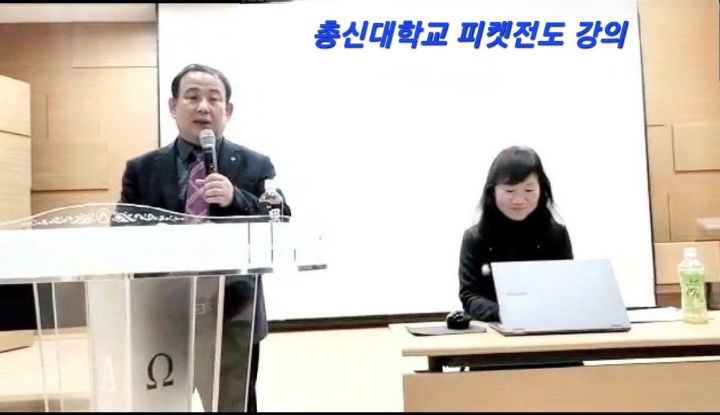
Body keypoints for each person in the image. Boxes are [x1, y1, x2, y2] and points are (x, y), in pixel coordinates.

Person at [120, 63, 286, 412]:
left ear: (228, 110)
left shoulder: (255, 165)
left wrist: (236, 197)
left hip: (233, 308)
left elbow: (280, 217)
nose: (203, 107)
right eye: (192, 97)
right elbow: (121, 231)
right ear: (173, 106)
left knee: (232, 405)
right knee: (160, 404)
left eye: (214, 98)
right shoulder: (142, 169)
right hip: (162, 306)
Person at [458, 146, 573, 322]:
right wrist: (509, 313)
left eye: (529, 190)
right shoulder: (475, 238)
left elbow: (566, 289)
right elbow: (469, 296)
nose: (519, 200)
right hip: (494, 327)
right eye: (509, 191)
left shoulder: (556, 235)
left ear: (542, 190)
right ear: (492, 191)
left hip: (547, 325)